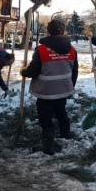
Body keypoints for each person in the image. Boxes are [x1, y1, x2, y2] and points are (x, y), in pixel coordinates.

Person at [20, 20, 79, 155]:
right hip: (64, 89)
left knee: (46, 117)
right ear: (63, 32)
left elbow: (33, 71)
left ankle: (48, 146)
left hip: (45, 91)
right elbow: (75, 71)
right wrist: (70, 86)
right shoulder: (72, 50)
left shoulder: (41, 50)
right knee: (61, 110)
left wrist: (23, 71)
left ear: (48, 31)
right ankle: (65, 132)